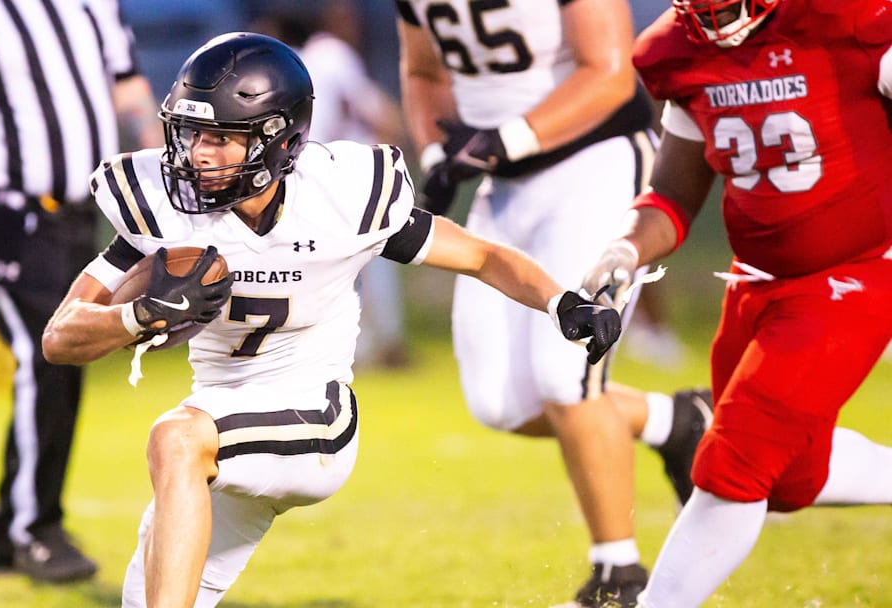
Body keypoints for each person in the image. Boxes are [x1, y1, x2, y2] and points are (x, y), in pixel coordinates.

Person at [40, 32, 624, 608]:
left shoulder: (338, 195)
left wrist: (562, 302)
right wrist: (137, 316)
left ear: (278, 141)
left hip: (313, 417)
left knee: (173, 439)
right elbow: (60, 336)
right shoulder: (164, 208)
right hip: (220, 420)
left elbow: (480, 255)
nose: (198, 154)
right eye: (191, 134)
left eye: (221, 137)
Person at [395, 1, 711, 605]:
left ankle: (618, 575)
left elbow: (608, 72)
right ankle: (675, 422)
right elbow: (424, 71)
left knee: (565, 373)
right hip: (508, 182)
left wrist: (503, 137)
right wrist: (436, 151)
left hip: (595, 158)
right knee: (499, 402)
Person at [580, 1, 892, 605]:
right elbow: (672, 195)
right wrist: (625, 248)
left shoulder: (847, 18)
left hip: (854, 274)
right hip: (755, 281)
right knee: (786, 482)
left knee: (733, 463)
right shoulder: (675, 49)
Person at [0, 0, 162, 583]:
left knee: (64, 360)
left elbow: (128, 85)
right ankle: (33, 528)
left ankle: (5, 533)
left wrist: (162, 159)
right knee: (48, 354)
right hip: (2, 209)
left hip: (79, 212)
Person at [260, 2, 412, 369]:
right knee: (371, 259)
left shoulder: (301, 61)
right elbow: (375, 109)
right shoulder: (328, 53)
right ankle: (381, 344)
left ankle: (364, 345)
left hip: (320, 171)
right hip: (346, 169)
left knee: (338, 264)